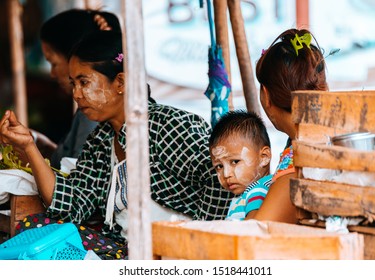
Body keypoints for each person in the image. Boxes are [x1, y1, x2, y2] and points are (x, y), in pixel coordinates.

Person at [0, 31, 233, 259]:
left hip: (181, 251)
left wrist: (201, 245)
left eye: (84, 82)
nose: (76, 94)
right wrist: (30, 148)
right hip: (127, 253)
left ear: (120, 82)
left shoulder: (170, 125)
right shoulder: (99, 141)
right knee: (35, 227)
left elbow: (217, 180)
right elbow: (70, 207)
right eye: (73, 84)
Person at [253, 28, 328, 223]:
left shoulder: (297, 166)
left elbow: (252, 236)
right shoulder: (342, 139)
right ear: (324, 88)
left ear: (266, 95)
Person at [33, 8, 122, 169]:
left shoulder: (94, 112)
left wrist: (30, 151)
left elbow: (77, 181)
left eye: (53, 63)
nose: (52, 74)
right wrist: (39, 146)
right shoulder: (89, 110)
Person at [209, 110, 272, 221]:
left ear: (264, 157)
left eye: (235, 162)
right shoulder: (247, 194)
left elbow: (252, 227)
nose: (226, 174)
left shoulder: (257, 190)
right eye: (219, 166)